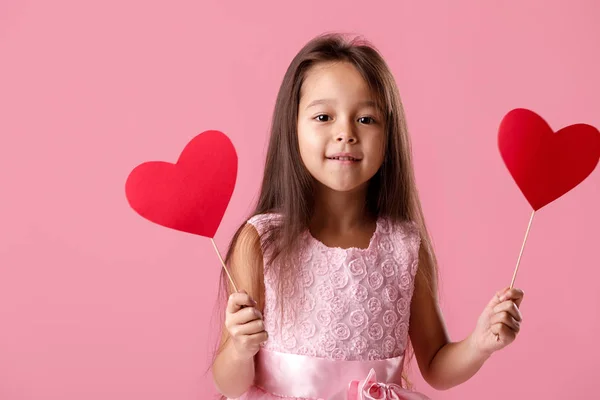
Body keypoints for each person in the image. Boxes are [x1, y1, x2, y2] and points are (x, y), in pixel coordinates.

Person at [210, 32, 524, 400]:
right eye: (324, 116)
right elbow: (228, 383)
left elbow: (436, 365)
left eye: (366, 119)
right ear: (292, 128)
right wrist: (240, 348)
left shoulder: (405, 246)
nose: (345, 133)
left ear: (389, 135)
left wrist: (480, 343)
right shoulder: (261, 242)